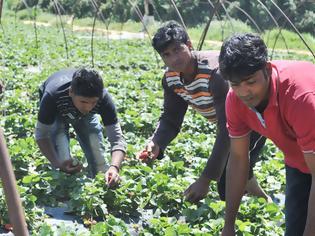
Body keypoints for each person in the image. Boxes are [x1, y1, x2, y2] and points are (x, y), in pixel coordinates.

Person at [139, 21, 269, 203]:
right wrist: (157, 142)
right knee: (239, 173)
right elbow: (171, 118)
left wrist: (206, 179)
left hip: (253, 118)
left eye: (177, 50)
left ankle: (248, 217)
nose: (173, 59)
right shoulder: (171, 78)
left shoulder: (215, 73)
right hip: (231, 124)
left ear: (189, 45)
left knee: (228, 179)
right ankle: (263, 201)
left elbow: (226, 130)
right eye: (166, 54)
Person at [219, 33, 315, 236]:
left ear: (267, 70)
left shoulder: (302, 99)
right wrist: (228, 226)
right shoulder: (235, 100)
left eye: (250, 82)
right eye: (236, 84)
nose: (244, 92)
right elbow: (238, 159)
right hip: (299, 162)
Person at [35, 68, 126, 187]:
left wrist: (114, 168)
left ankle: (99, 186)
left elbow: (117, 139)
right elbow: (41, 135)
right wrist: (57, 163)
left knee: (98, 157)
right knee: (63, 160)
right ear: (71, 92)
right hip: (57, 110)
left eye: (93, 102)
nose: (88, 108)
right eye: (83, 102)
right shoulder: (52, 96)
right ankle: (66, 190)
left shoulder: (103, 99)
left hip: (84, 115)